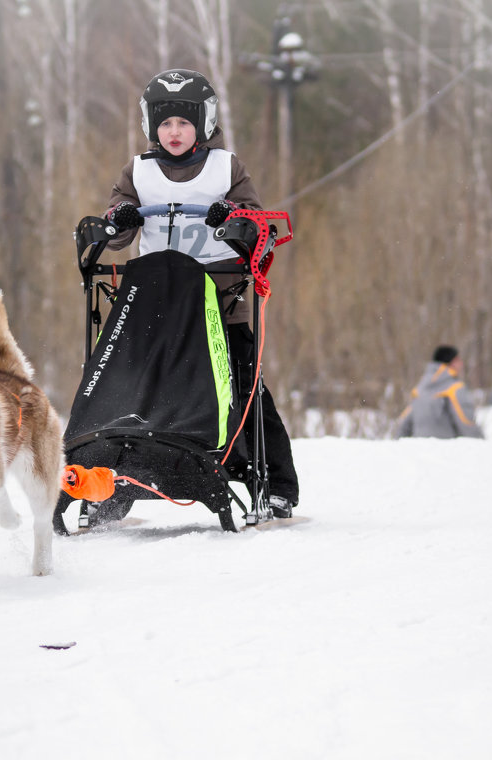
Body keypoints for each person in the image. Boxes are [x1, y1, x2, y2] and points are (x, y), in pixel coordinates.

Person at [103, 68, 299, 518]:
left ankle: (276, 484)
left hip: (222, 304)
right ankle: (116, 481)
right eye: (165, 123)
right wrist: (120, 220)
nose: (174, 132)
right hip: (157, 308)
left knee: (246, 391)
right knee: (133, 393)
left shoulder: (226, 167)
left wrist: (234, 217)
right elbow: (112, 227)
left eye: (184, 123)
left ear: (204, 124)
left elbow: (256, 222)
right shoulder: (138, 170)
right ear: (151, 124)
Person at [395, 346, 484, 439]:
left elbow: (404, 424)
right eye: (457, 360)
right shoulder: (454, 387)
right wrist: (481, 445)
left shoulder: (420, 389)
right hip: (446, 450)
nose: (461, 364)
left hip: (421, 450)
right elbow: (466, 422)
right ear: (450, 362)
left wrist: (397, 446)